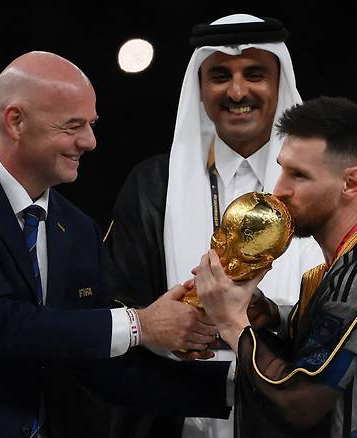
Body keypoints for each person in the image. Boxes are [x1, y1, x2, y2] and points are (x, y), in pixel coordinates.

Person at [0, 51, 234, 438]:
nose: (90, 142)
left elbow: (94, 359)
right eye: (73, 126)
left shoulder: (77, 229)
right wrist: (140, 323)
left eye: (92, 124)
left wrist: (239, 384)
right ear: (16, 122)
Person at [103, 13, 324, 438]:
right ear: (199, 89)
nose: (237, 91)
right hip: (173, 419)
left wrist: (273, 315)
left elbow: (347, 312)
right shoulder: (152, 185)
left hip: (292, 418)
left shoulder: (317, 188)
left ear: (280, 84)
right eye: (220, 75)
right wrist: (150, 325)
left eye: (255, 74)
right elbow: (109, 305)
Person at [194, 96, 357, 437]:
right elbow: (322, 347)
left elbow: (298, 404)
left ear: (351, 183)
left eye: (299, 175)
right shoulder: (351, 258)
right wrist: (273, 317)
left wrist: (231, 322)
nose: (279, 190)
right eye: (282, 169)